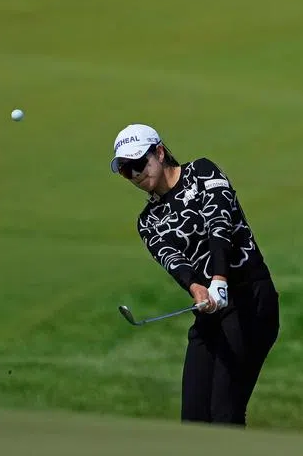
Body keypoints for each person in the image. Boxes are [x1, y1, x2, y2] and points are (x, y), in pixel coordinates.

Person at [109, 123, 280, 427]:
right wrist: (197, 289)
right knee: (194, 418)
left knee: (225, 411)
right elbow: (174, 261)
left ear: (159, 153)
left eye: (138, 163)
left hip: (250, 299)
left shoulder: (202, 172)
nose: (134, 174)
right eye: (125, 170)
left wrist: (219, 278)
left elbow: (220, 224)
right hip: (212, 309)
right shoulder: (148, 222)